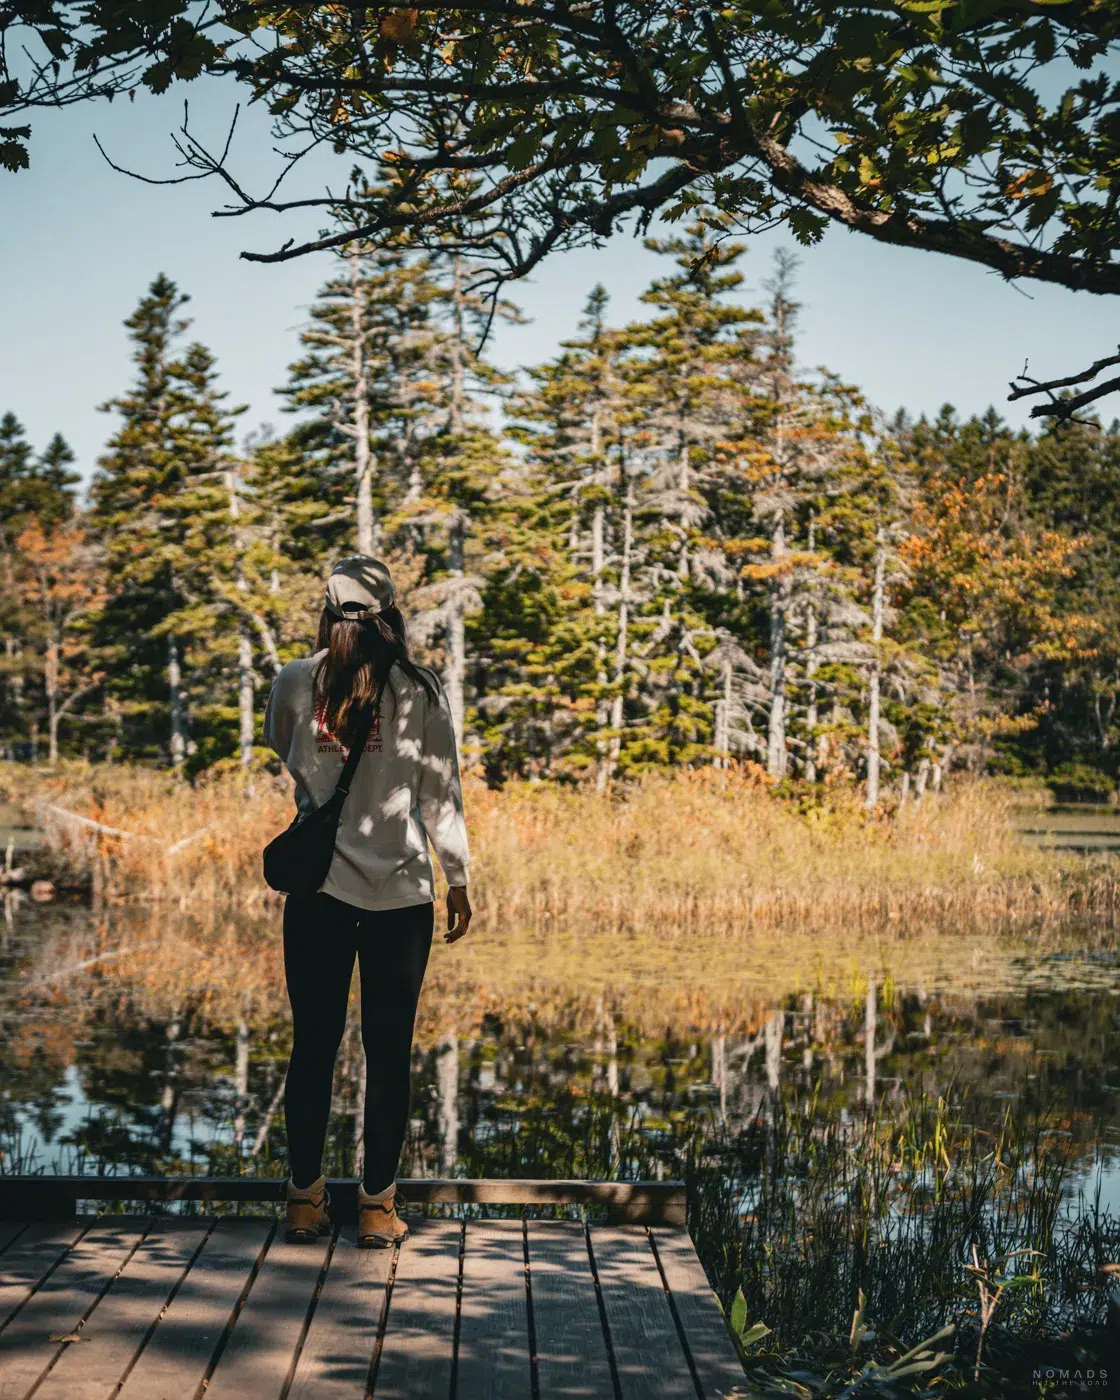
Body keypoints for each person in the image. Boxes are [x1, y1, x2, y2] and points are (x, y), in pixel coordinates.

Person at [263, 555, 472, 1248]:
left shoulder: (297, 681)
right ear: (391, 615)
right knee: (388, 1054)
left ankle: (304, 1202)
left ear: (326, 610)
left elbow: (283, 749)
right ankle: (377, 1210)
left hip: (318, 893)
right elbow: (440, 794)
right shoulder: (419, 686)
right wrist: (459, 879)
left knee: (313, 1048)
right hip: (403, 896)